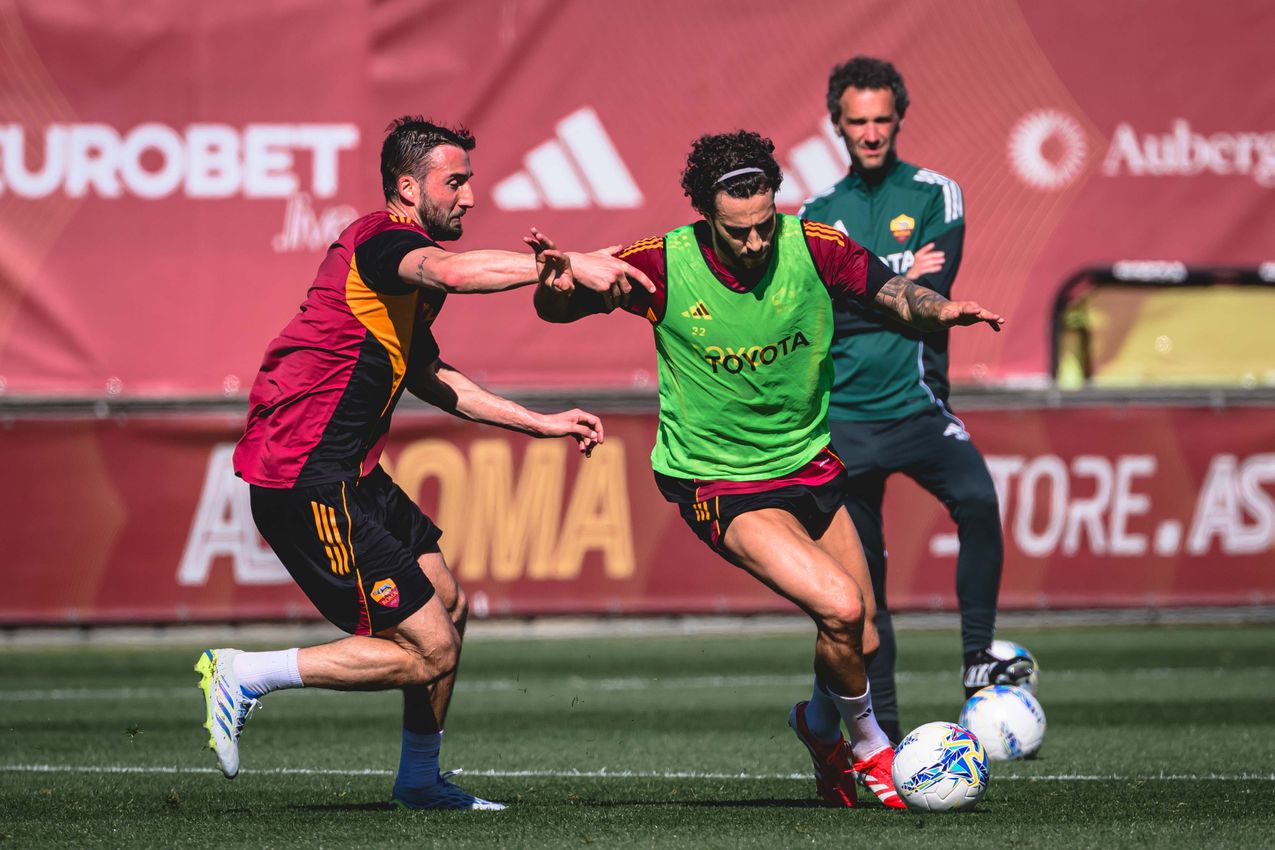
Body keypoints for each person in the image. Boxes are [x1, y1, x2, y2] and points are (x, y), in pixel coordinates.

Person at [534, 130, 1004, 808]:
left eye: (762, 225)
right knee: (839, 606)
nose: (755, 243)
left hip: (808, 466)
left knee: (860, 635)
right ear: (704, 215)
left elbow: (892, 291)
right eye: (737, 232)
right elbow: (563, 305)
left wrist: (941, 310)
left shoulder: (811, 246)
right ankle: (871, 749)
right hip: (717, 481)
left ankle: (817, 727)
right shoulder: (662, 264)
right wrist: (554, 289)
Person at [196, 116, 654, 811]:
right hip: (306, 475)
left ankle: (418, 779)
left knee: (449, 604)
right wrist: (556, 263)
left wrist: (541, 422)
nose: (470, 196)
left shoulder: (410, 279)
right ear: (407, 188)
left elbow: (434, 378)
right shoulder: (384, 241)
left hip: (350, 472)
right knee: (428, 649)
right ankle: (245, 673)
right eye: (456, 181)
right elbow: (452, 269)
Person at [799, 56, 1032, 743]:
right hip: (843, 422)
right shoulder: (815, 213)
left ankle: (975, 661)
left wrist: (867, 292)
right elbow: (851, 306)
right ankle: (890, 740)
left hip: (919, 407)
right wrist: (898, 289)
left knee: (979, 502)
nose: (869, 133)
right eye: (856, 121)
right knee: (864, 595)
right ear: (837, 125)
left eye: (880, 120)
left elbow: (931, 304)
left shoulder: (937, 193)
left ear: (897, 119)